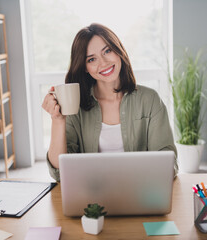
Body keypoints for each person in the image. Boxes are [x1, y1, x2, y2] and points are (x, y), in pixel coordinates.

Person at [42, 23, 178, 181]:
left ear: (118, 50)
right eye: (92, 59)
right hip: (91, 197)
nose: (103, 62)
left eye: (107, 51)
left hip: (140, 194)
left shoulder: (150, 100)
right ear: (85, 67)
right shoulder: (76, 105)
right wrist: (57, 120)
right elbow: (59, 172)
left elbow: (169, 161)